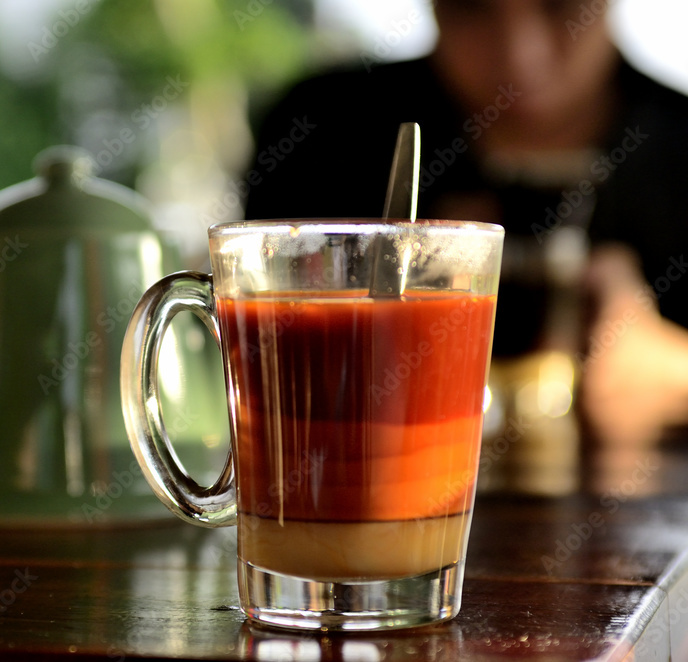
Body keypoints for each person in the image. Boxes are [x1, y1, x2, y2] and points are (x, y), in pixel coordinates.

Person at [243, 0, 688, 447]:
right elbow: (263, 367)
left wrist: (674, 369)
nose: (520, 55)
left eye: (560, 6)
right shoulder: (319, 132)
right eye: (470, 9)